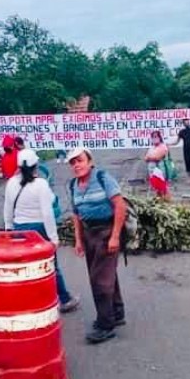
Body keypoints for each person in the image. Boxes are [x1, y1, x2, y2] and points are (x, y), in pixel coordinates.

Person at [3, 149, 80, 313]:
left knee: (26, 266)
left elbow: (8, 209)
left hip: (19, 229)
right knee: (51, 266)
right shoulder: (40, 184)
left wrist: (9, 229)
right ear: (35, 165)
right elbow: (47, 213)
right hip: (39, 229)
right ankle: (64, 299)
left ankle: (31, 301)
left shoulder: (11, 183)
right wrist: (53, 238)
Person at [68, 147, 127, 344]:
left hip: (106, 232)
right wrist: (78, 239)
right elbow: (76, 214)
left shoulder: (103, 177)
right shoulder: (73, 185)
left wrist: (115, 237)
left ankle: (105, 325)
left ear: (90, 161)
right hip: (89, 233)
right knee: (108, 275)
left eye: (80, 160)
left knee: (99, 280)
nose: (77, 165)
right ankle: (117, 313)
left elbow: (120, 206)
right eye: (73, 162)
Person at [145, 131, 170, 199]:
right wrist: (150, 157)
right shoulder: (151, 147)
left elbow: (157, 157)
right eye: (153, 137)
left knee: (163, 188)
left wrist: (150, 157)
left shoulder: (163, 146)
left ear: (159, 137)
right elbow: (145, 158)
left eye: (156, 137)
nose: (154, 138)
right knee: (156, 189)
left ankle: (166, 201)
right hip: (152, 171)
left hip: (160, 171)